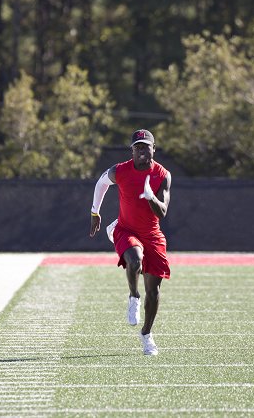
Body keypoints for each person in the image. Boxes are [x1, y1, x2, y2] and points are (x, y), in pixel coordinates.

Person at [89, 129, 172, 356]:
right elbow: (101, 183)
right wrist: (95, 212)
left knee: (153, 292)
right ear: (132, 150)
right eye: (137, 147)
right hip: (126, 228)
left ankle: (146, 334)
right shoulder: (121, 170)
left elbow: (162, 211)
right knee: (135, 260)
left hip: (152, 234)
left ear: (154, 149)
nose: (142, 150)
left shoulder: (162, 174)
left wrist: (151, 197)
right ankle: (133, 296)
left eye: (146, 146)